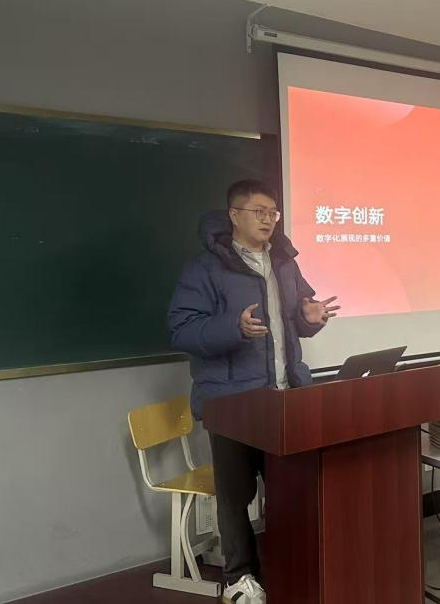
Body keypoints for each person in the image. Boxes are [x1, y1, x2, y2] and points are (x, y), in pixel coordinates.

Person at [168, 179, 338, 604]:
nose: (268, 220)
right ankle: (240, 578)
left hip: (284, 397)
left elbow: (297, 318)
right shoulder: (205, 268)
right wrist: (234, 327)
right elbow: (181, 330)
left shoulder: (284, 263)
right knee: (235, 497)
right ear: (234, 215)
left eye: (273, 213)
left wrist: (311, 317)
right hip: (233, 404)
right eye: (258, 212)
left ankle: (291, 568)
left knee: (290, 488)